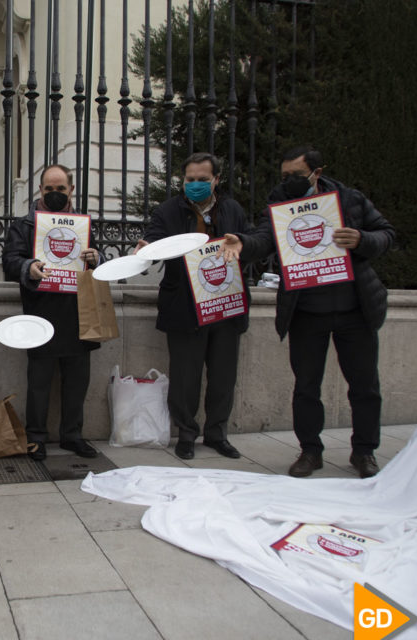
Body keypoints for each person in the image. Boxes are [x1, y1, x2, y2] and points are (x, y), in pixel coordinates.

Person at [220, 146, 394, 478]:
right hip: (306, 312)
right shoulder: (279, 204)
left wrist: (361, 239)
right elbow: (264, 238)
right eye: (284, 176)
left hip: (354, 310)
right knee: (306, 387)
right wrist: (242, 243)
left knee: (364, 386)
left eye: (297, 176)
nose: (289, 182)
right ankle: (310, 452)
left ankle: (364, 452)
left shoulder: (350, 199)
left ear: (316, 172)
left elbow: (387, 234)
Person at [136, 152, 251, 460]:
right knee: (185, 377)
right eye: (190, 180)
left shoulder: (233, 210)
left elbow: (252, 242)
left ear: (216, 180)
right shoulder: (167, 211)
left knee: (223, 377)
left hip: (225, 305)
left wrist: (240, 241)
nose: (196, 185)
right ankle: (186, 434)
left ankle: (217, 434)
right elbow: (155, 242)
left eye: (203, 180)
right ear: (182, 181)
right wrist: (147, 249)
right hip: (184, 306)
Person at [2, 164, 102, 460]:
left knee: (77, 381)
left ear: (71, 190)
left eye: (61, 188)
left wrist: (96, 257)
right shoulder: (24, 225)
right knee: (39, 384)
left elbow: (100, 261)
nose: (55, 193)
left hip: (78, 313)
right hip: (40, 313)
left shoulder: (84, 225)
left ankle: (73, 436)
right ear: (40, 191)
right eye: (49, 189)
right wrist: (27, 267)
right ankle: (36, 438)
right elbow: (9, 260)